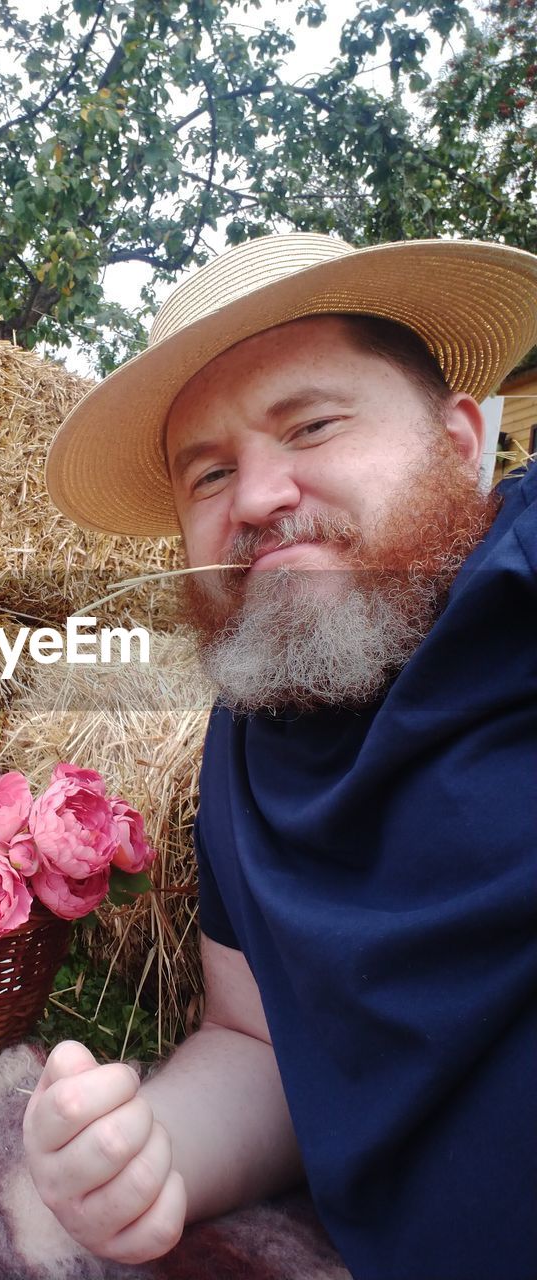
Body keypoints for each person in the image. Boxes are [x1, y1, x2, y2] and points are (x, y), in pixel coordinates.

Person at [27, 233, 537, 1280]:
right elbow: (260, 1040)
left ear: (459, 438)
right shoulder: (250, 731)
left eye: (311, 422)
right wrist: (154, 1148)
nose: (256, 498)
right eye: (209, 472)